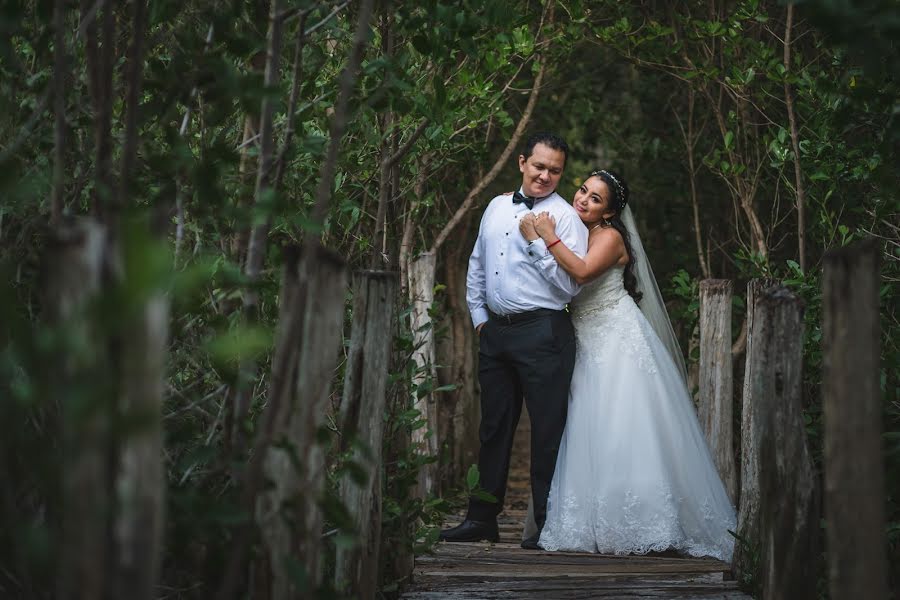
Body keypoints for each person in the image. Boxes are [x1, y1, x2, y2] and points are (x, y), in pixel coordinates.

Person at [518, 169, 736, 561]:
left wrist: (544, 236)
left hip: (616, 338)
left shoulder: (610, 237)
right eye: (582, 190)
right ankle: (593, 520)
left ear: (609, 212)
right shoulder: (577, 230)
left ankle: (648, 523)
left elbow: (582, 272)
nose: (582, 199)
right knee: (589, 426)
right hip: (584, 337)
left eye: (595, 198)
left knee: (625, 425)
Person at [439, 132, 589, 549]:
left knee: (546, 432)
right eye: (539, 166)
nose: (545, 176)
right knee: (493, 428)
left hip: (544, 332)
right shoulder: (495, 206)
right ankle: (481, 519)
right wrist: (480, 318)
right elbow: (477, 264)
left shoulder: (566, 218)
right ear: (522, 162)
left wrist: (539, 241)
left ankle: (546, 526)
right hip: (496, 334)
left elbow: (569, 288)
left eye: (554, 170)